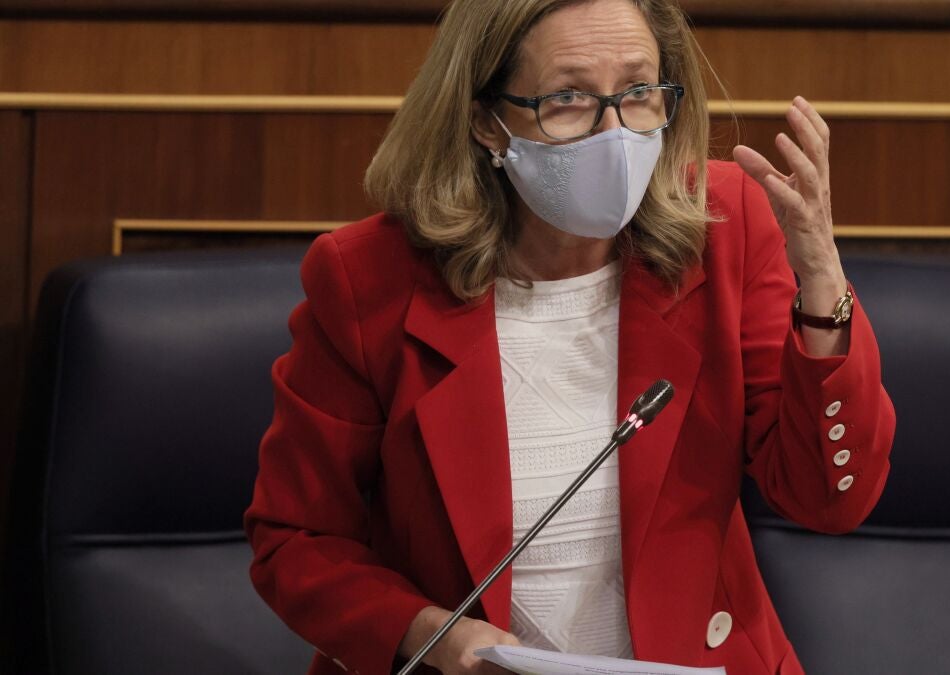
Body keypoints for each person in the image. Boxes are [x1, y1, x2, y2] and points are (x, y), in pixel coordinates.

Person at [244, 0, 896, 673]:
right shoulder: (368, 279)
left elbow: (830, 499)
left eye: (638, 92)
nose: (614, 134)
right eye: (567, 99)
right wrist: (431, 634)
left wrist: (821, 275)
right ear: (487, 120)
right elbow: (296, 538)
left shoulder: (724, 225)